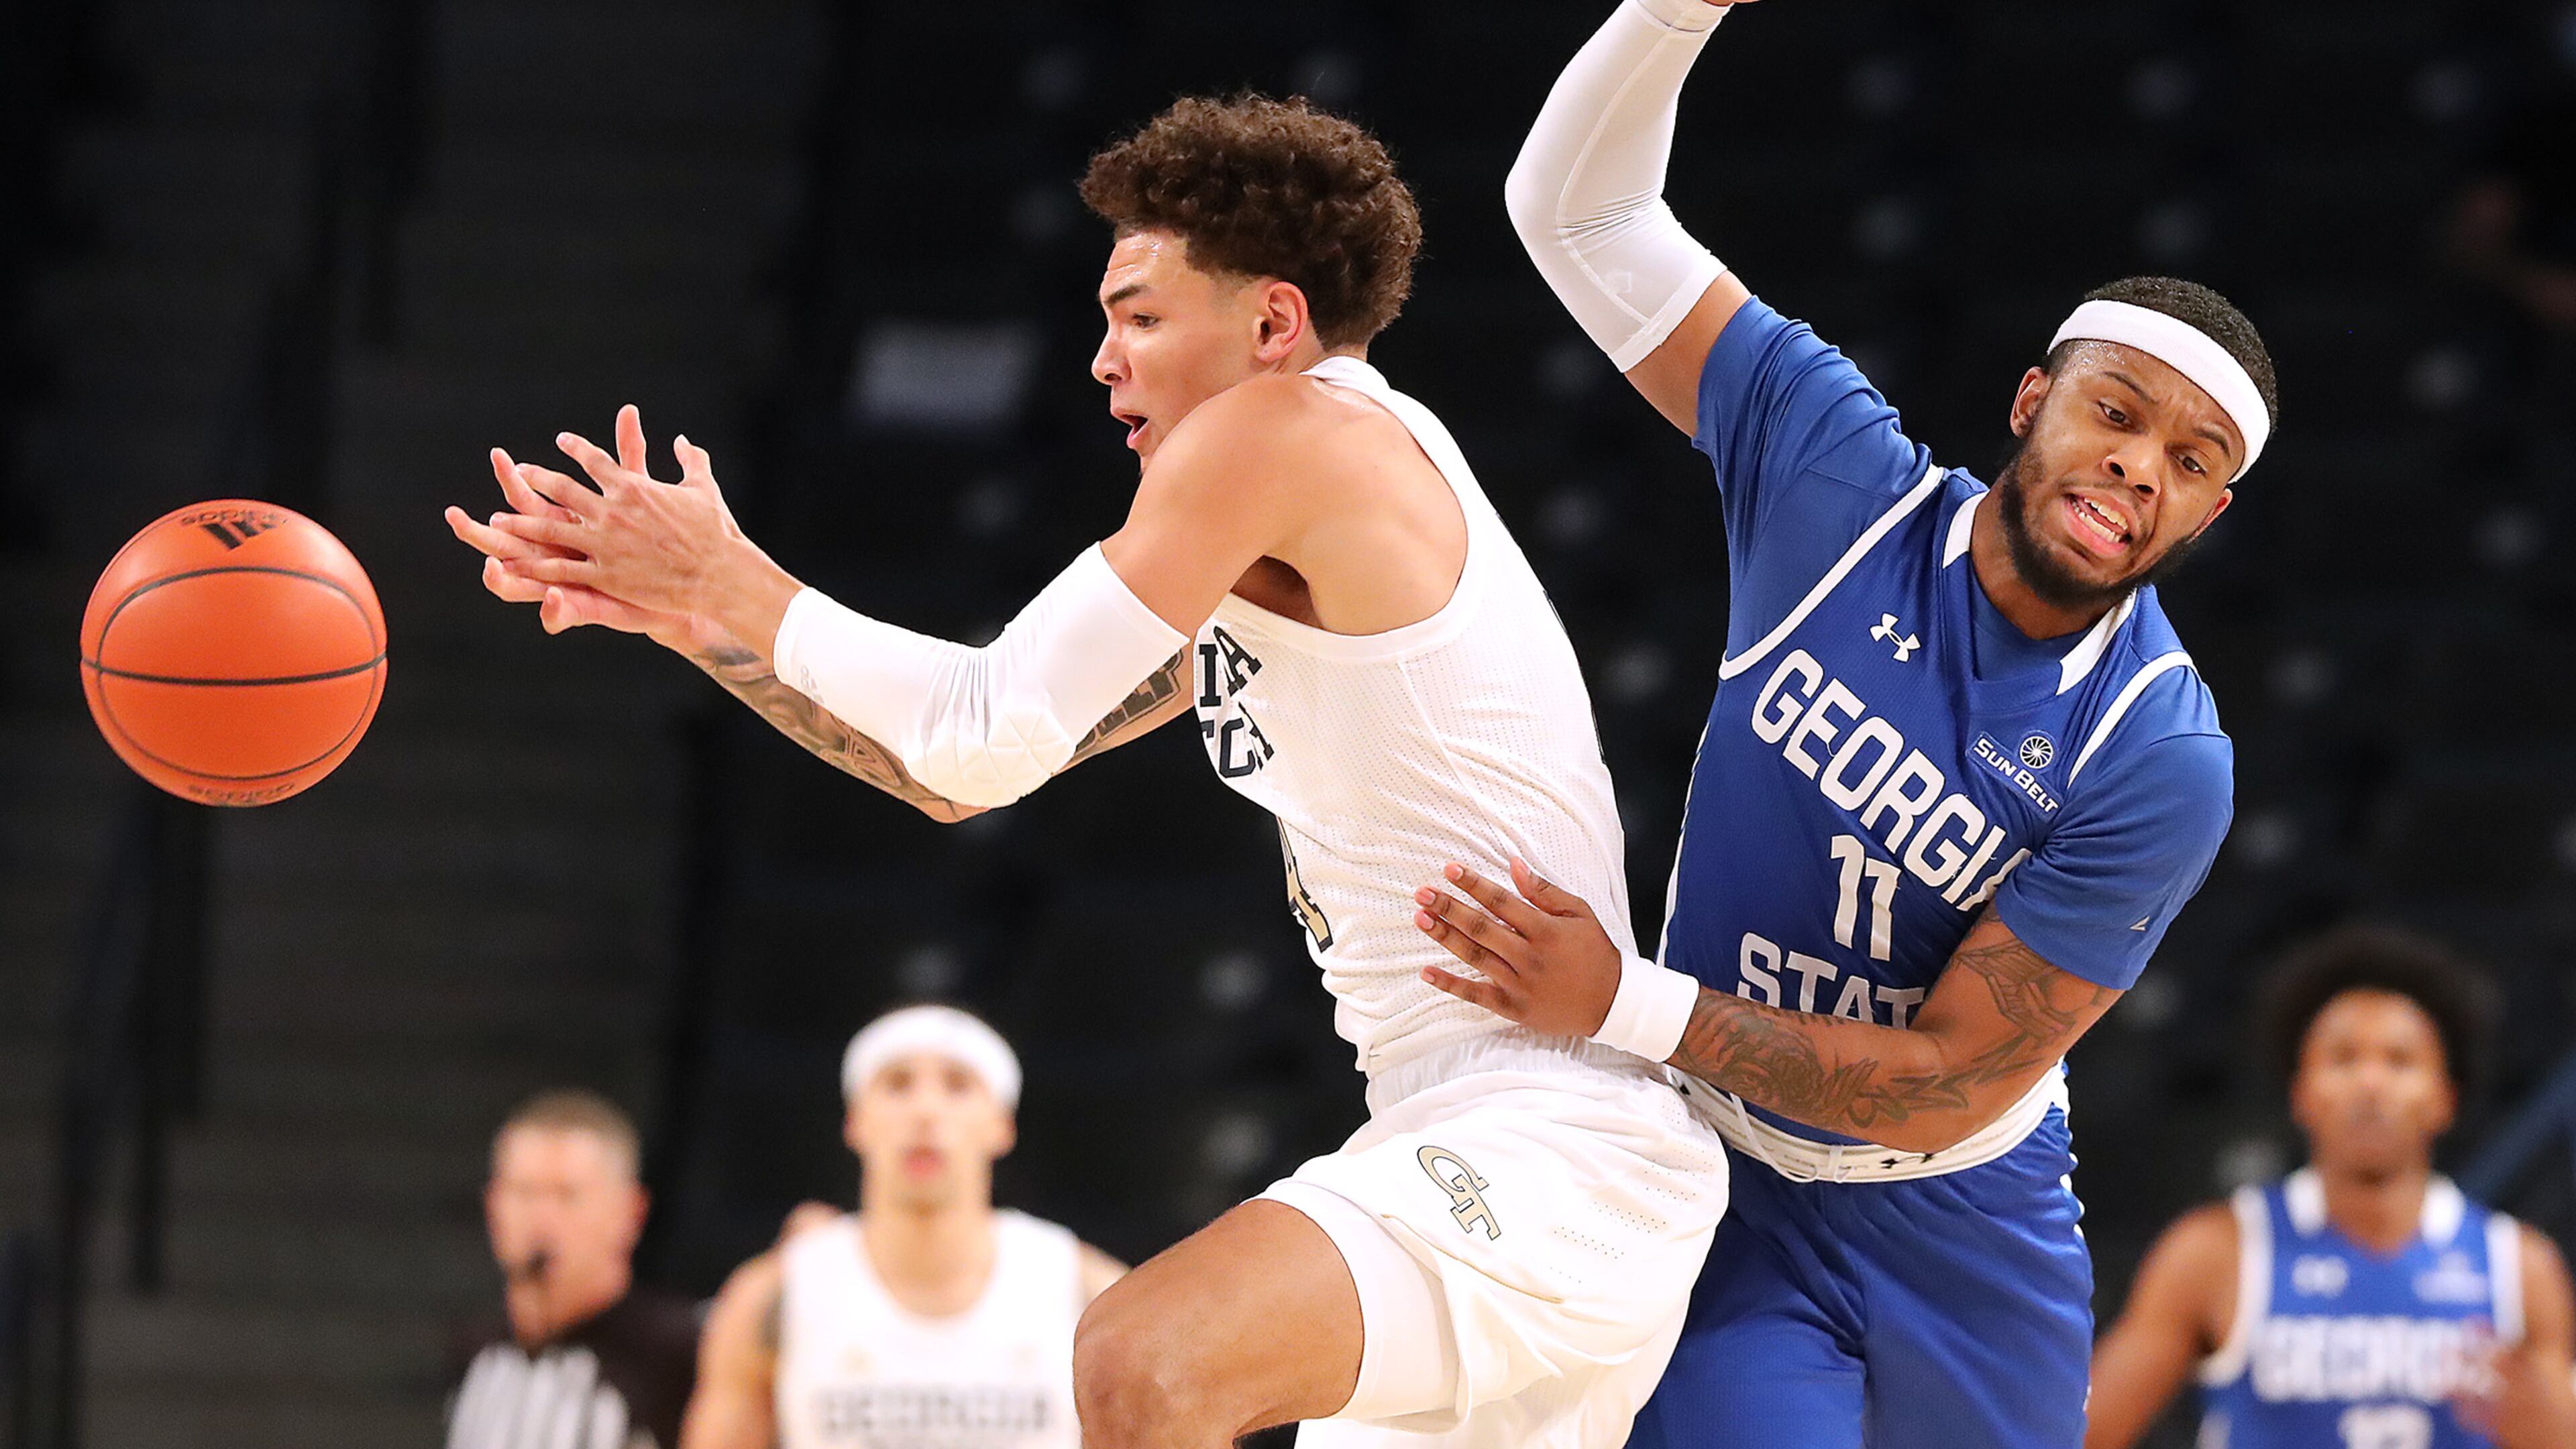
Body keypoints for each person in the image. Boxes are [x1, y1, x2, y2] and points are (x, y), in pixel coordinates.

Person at [446, 93, 1731, 1449]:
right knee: (1150, 1372)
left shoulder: (1283, 432)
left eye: (1141, 315)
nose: (1105, 361)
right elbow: (953, 781)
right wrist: (704, 626)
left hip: (1548, 1142)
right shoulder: (1298, 521)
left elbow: (981, 729)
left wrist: (733, 577)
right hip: (1482, 1150)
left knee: (1137, 1360)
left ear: (1273, 325)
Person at [1407, 2, 2264, 1445]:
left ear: (2209, 515)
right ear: (2032, 398)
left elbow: (1939, 1086)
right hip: (1717, 1172)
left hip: (1964, 1212)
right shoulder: (1836, 479)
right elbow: (1578, 212)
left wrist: (1619, 1002)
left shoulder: (2159, 754)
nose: (2139, 467)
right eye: (2116, 413)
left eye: (2191, 461)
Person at [2086, 927, 2576, 1449]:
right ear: (2302, 1093)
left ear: (2444, 1098)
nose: (2371, 1084)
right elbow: (2083, 1433)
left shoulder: (2519, 1266)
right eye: (2343, 1058)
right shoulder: (2215, 1251)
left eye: (2400, 1060)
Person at [680, 1006, 1124, 1449]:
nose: (925, 1111)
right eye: (897, 1084)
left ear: (1003, 1125)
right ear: (854, 1121)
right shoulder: (774, 1295)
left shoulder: (1088, 1292)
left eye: (958, 1085)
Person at [448, 1091, 700, 1449]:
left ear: (631, 1213)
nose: (542, 1219)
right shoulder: (480, 1352)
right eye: (524, 1192)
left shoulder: (678, 1355)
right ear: (493, 1206)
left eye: (568, 1195)